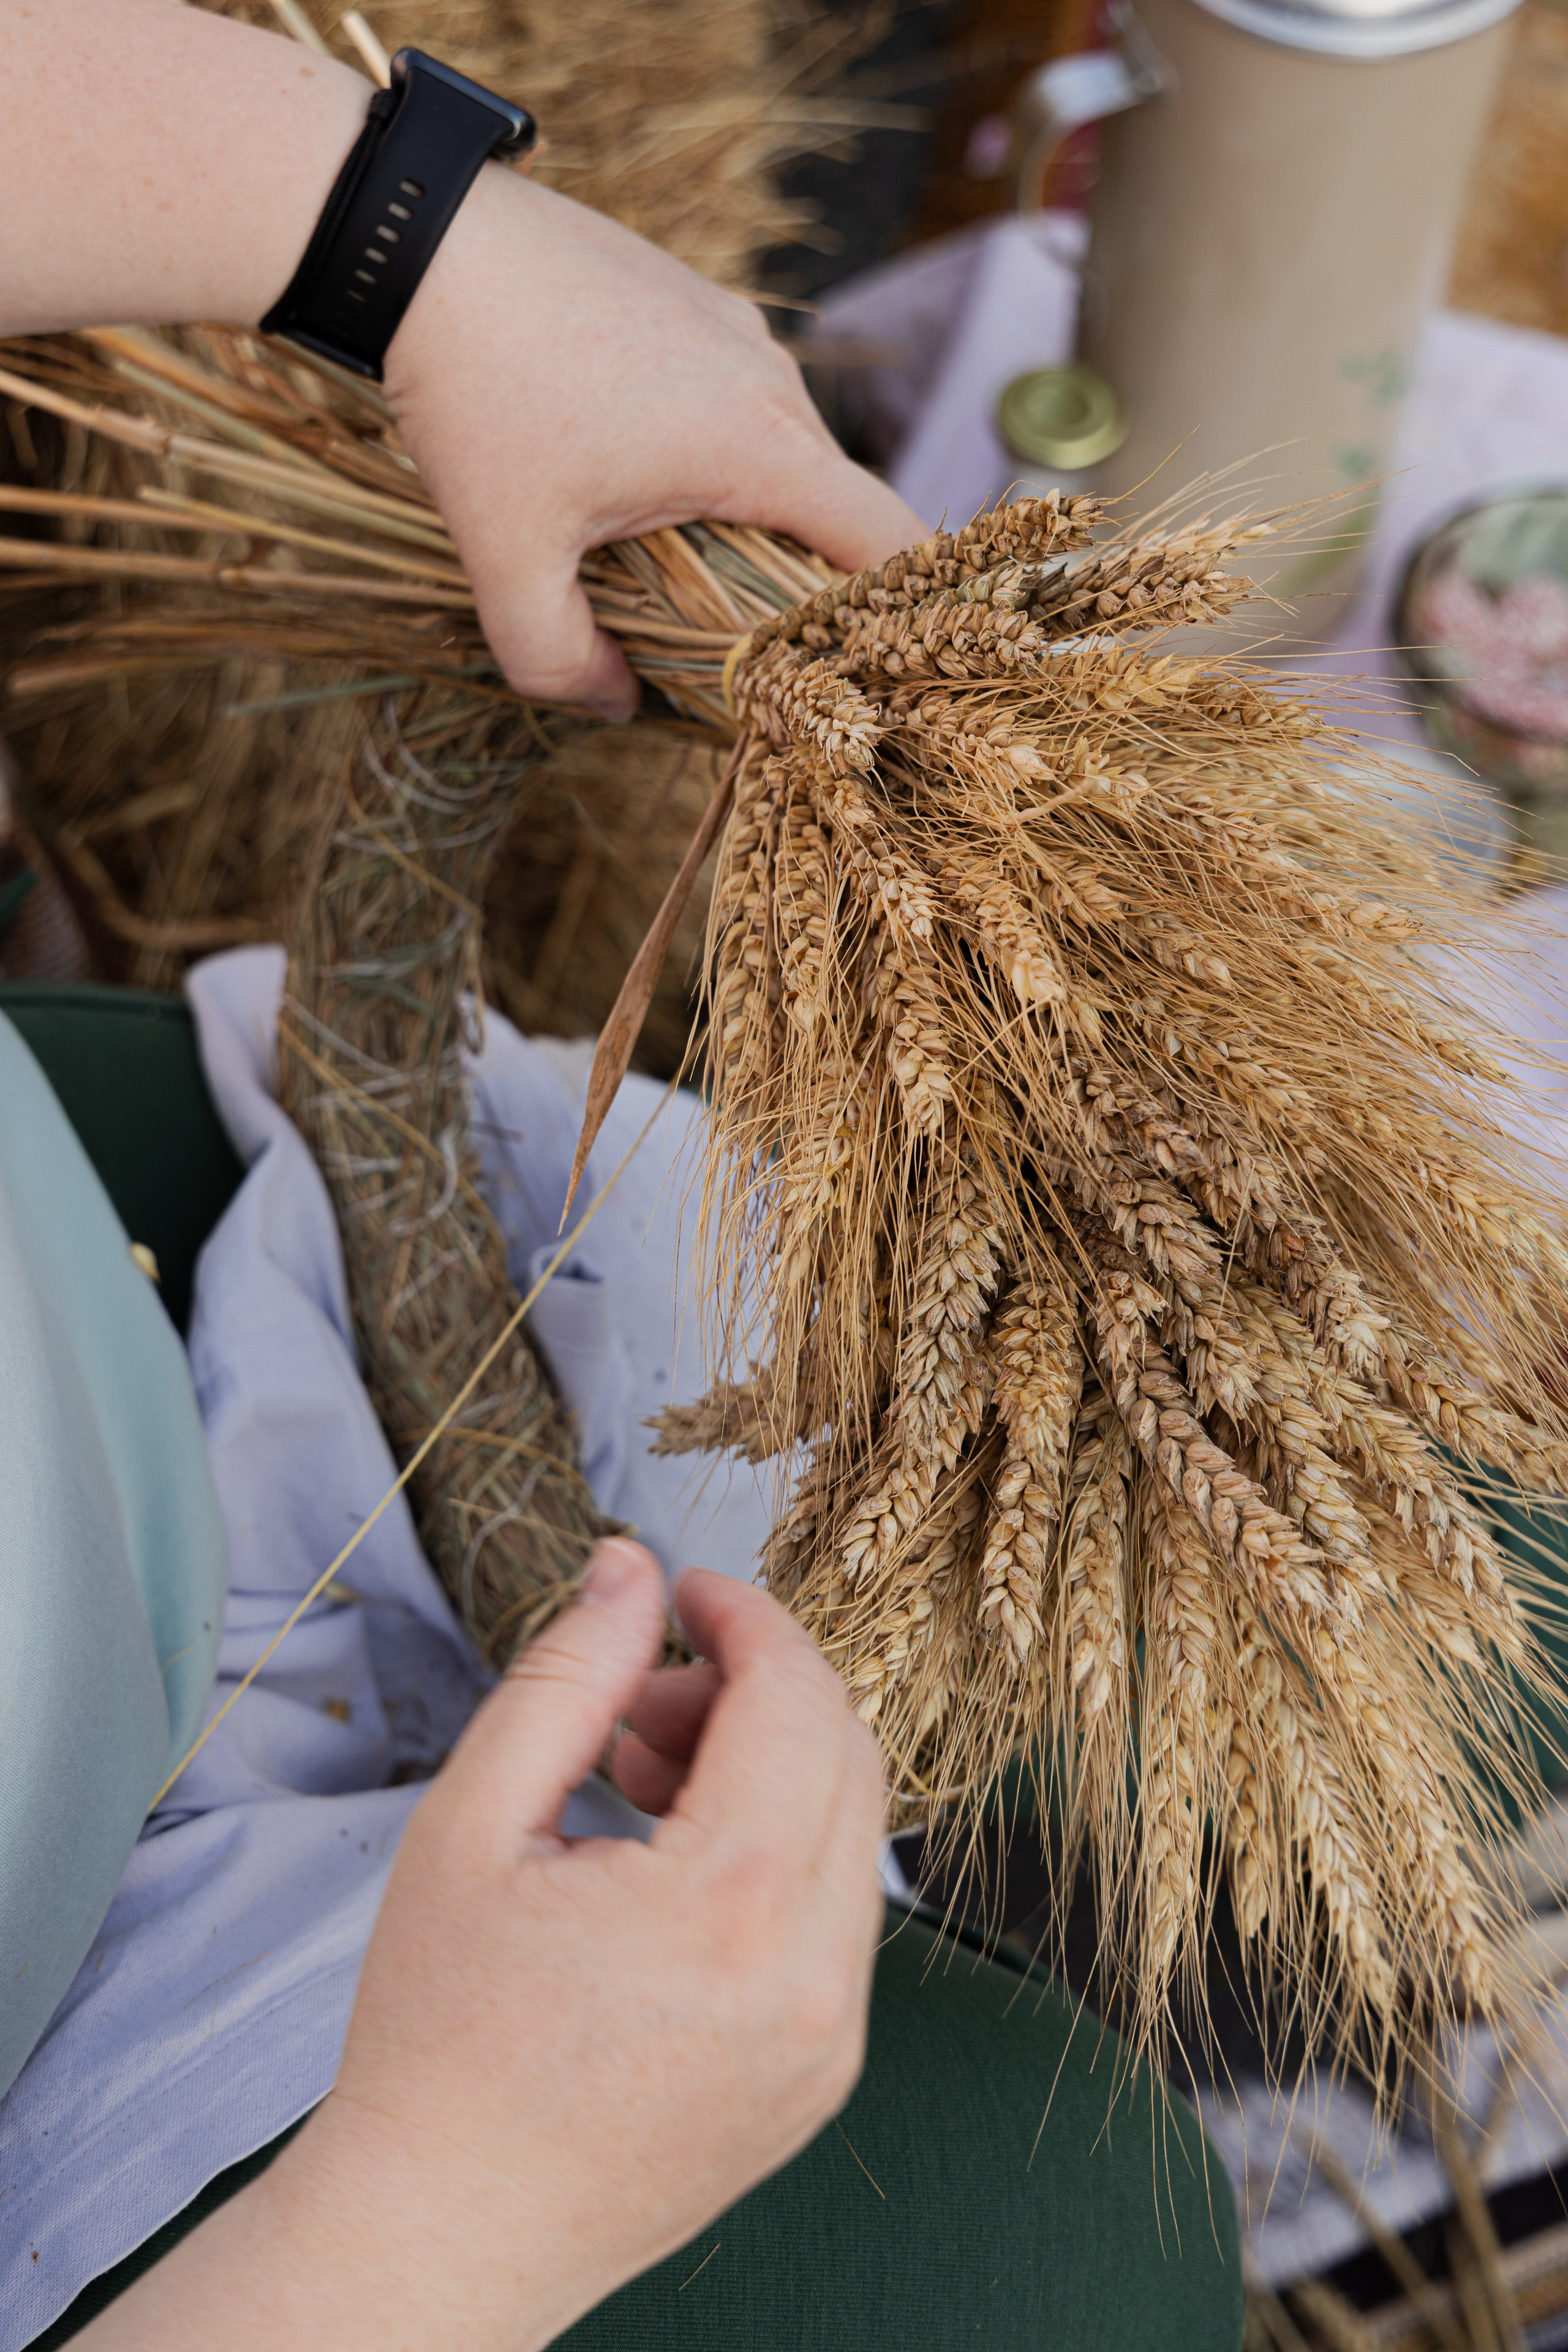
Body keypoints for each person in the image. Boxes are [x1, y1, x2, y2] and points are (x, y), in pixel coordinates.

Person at [0, 8, 1243, 2346]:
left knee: (1462, 1583)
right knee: (1055, 2248)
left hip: (82, 1326)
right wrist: (440, 2225)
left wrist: (405, 239)